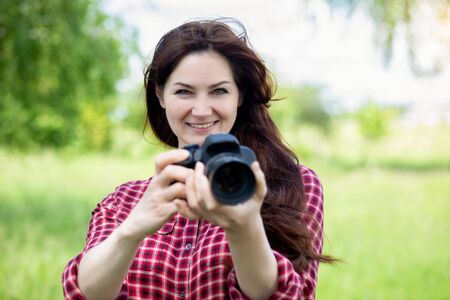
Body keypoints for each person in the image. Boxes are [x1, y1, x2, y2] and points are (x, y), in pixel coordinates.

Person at [62, 18, 333, 300]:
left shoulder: (292, 185)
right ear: (160, 94)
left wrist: (244, 226)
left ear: (239, 95)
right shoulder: (123, 201)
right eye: (184, 91)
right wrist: (133, 228)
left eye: (218, 91)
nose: (201, 110)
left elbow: (288, 296)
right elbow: (86, 293)